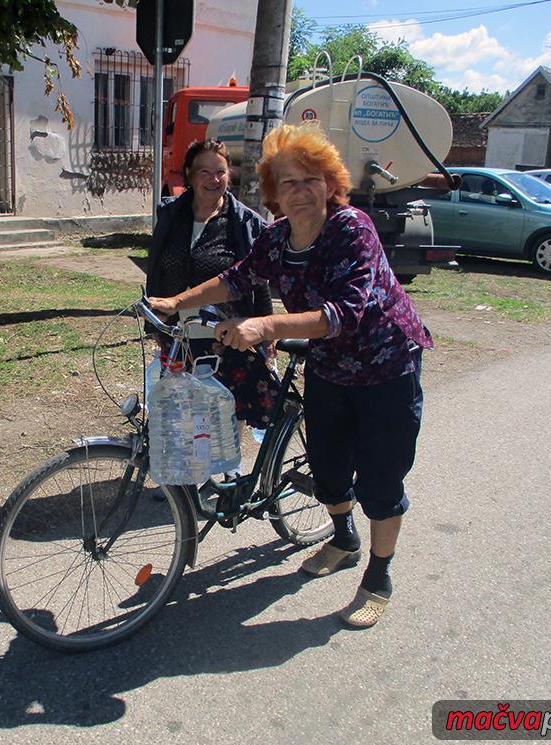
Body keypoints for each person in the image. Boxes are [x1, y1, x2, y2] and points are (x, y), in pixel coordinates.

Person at [148, 123, 430, 629]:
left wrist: (266, 324)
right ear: (273, 192)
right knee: (327, 470)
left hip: (385, 367)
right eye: (288, 182)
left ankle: (378, 575)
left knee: (382, 483)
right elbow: (236, 277)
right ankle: (343, 539)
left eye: (310, 180)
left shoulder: (352, 228)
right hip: (329, 367)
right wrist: (175, 301)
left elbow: (344, 312)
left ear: (330, 183)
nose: (300, 191)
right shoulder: (277, 237)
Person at [147, 140, 278, 436]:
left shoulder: (243, 223)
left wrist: (267, 332)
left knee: (227, 410)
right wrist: (154, 321)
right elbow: (156, 267)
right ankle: (189, 476)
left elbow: (258, 279)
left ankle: (226, 474)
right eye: (204, 172)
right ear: (190, 175)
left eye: (220, 172)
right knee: (183, 411)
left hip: (226, 336)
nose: (213, 179)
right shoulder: (171, 215)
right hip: (179, 334)